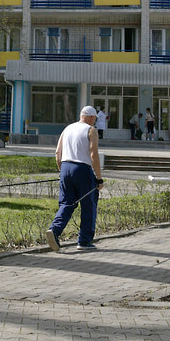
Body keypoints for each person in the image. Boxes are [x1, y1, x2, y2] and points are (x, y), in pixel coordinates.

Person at [46, 105, 103, 252]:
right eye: (94, 119)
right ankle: (84, 241)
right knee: (89, 205)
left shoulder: (68, 129)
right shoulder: (91, 130)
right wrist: (99, 178)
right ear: (91, 117)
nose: (95, 121)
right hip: (82, 169)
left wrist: (63, 171)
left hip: (65, 167)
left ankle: (54, 230)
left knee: (67, 203)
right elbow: (93, 154)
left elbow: (58, 152)